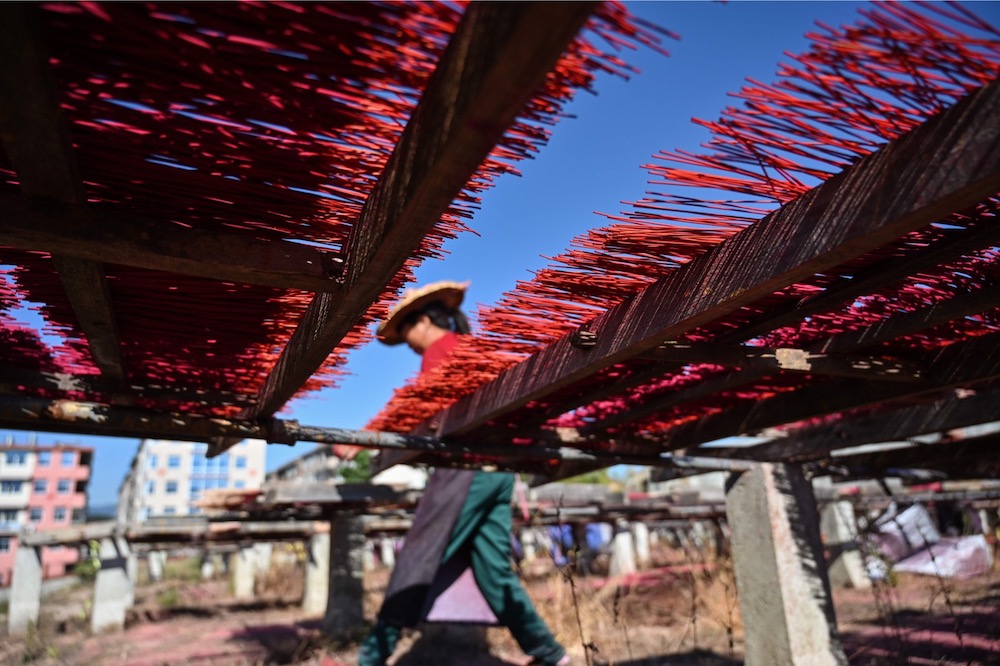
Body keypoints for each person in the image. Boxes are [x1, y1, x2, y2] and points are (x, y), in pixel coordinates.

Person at [358, 281, 569, 666]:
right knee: (492, 570)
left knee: (417, 557)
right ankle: (549, 652)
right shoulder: (470, 350)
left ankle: (371, 658)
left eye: (407, 335)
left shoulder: (441, 351)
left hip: (464, 469)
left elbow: (428, 414)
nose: (409, 345)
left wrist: (369, 436)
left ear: (422, 321)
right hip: (499, 471)